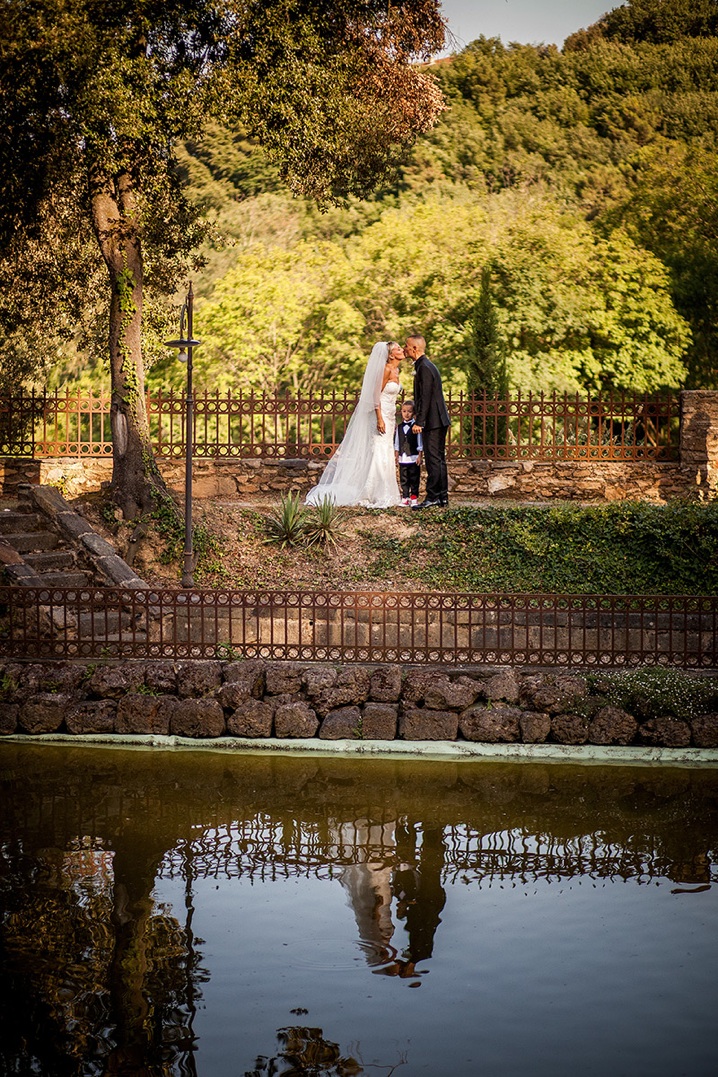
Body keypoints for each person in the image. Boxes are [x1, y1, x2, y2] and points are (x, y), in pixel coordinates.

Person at [305, 341, 404, 508]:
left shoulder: (397, 370)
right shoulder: (386, 369)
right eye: (398, 349)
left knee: (385, 450)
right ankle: (374, 492)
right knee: (378, 450)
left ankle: (387, 491)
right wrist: (379, 418)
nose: (402, 350)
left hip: (390, 413)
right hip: (380, 415)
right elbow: (375, 395)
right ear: (391, 355)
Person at [404, 335, 450, 508]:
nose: (405, 348)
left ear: (415, 348)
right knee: (438, 459)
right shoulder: (425, 365)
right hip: (437, 419)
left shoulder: (424, 367)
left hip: (433, 421)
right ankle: (442, 497)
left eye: (407, 346)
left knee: (433, 460)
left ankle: (432, 497)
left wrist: (420, 422)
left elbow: (426, 397)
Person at [394, 399, 423, 506]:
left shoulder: (416, 427)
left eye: (409, 411)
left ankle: (414, 497)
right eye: (404, 411)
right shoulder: (399, 427)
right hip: (403, 458)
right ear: (401, 412)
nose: (406, 414)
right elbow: (397, 442)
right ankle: (405, 497)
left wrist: (420, 455)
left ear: (414, 413)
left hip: (413, 457)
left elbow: (420, 442)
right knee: (404, 478)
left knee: (414, 478)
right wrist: (396, 454)